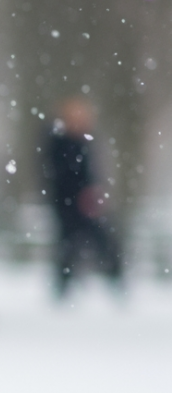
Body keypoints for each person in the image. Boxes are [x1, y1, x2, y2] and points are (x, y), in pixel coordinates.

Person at [41, 96, 124, 298]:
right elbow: (59, 174)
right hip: (67, 203)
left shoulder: (83, 141)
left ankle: (113, 279)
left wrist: (93, 193)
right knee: (69, 246)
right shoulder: (58, 142)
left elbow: (90, 171)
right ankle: (64, 286)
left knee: (99, 242)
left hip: (85, 203)